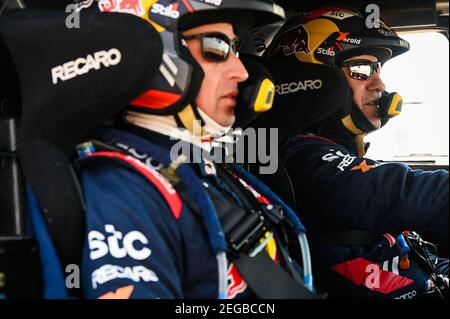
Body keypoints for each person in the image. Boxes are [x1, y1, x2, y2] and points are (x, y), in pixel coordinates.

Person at [76, 0, 318, 299]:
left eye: (235, 49)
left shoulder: (204, 166)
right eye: (216, 48)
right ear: (146, 53)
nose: (242, 72)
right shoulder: (121, 186)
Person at [266, 7, 449, 298]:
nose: (380, 85)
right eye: (361, 70)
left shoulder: (329, 150)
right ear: (316, 80)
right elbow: (398, 191)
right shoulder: (300, 156)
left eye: (378, 70)